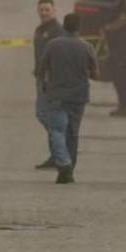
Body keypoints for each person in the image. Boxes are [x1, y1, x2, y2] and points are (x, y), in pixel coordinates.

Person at [37, 13, 99, 184]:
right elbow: (95, 74)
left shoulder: (52, 45)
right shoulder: (87, 47)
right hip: (79, 97)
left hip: (57, 95)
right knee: (73, 133)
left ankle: (63, 164)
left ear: (64, 26)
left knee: (57, 131)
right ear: (80, 28)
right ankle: (69, 169)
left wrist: (45, 85)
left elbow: (41, 69)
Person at [33, 0, 64, 169]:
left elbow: (58, 58)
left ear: (54, 11)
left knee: (46, 115)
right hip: (41, 77)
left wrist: (51, 77)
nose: (44, 12)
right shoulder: (41, 30)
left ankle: (60, 153)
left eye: (47, 9)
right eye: (41, 9)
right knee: (44, 115)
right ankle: (55, 154)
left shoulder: (57, 31)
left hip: (50, 80)